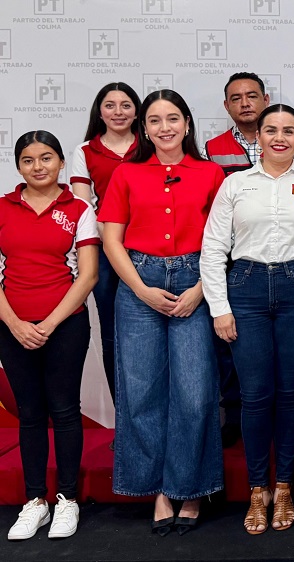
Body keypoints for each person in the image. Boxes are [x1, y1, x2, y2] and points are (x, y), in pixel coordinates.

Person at [202, 104, 294, 534]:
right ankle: (256, 488)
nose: (279, 137)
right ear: (258, 137)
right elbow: (213, 250)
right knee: (254, 395)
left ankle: (283, 486)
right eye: (271, 130)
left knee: (287, 392)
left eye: (288, 131)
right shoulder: (235, 185)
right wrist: (220, 308)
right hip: (244, 290)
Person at [99, 89, 225, 536]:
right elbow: (112, 240)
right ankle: (157, 490)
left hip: (195, 282)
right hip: (139, 283)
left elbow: (223, 242)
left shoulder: (211, 173)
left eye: (173, 118)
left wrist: (200, 290)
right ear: (144, 129)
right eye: (155, 120)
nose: (164, 127)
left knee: (194, 392)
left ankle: (191, 489)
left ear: (188, 124)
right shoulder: (126, 175)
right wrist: (141, 289)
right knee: (142, 393)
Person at [1, 131, 98, 540]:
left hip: (66, 325)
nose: (37, 166)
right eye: (28, 159)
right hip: (12, 327)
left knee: (63, 410)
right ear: (18, 165)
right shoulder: (2, 208)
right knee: (30, 413)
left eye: (46, 158)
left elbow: (89, 274)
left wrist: (49, 324)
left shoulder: (78, 208)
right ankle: (36, 500)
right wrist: (16, 324)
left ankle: (67, 500)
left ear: (61, 163)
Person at [69, 82, 141, 422]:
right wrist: (113, 238)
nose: (118, 112)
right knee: (114, 337)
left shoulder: (151, 144)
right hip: (106, 254)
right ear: (100, 112)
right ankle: (126, 421)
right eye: (110, 105)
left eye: (125, 105)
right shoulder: (85, 151)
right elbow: (84, 209)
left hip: (150, 251)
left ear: (137, 111)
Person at [205, 72, 294, 175]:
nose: (245, 104)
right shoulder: (210, 150)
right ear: (227, 106)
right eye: (236, 99)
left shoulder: (292, 144)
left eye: (252, 96)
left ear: (266, 100)